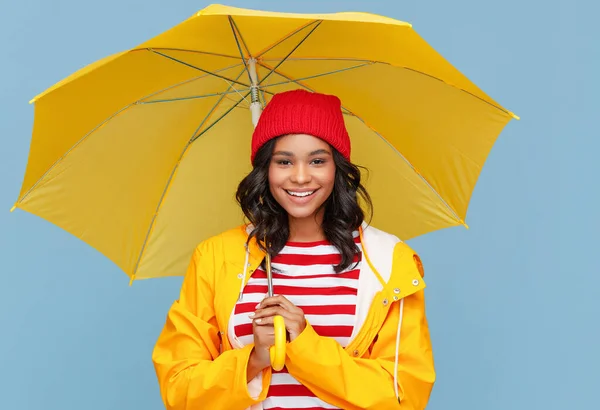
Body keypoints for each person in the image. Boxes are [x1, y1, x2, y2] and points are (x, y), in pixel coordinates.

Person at [152, 89, 435, 409]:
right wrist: (253, 360)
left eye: (317, 160)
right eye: (284, 161)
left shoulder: (388, 262)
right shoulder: (217, 257)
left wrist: (303, 344)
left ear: (337, 168)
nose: (300, 177)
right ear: (265, 170)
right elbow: (178, 389)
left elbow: (404, 397)